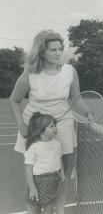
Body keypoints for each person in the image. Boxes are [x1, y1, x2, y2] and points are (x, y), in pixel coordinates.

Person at [9, 30, 91, 214]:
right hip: (36, 128)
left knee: (64, 174)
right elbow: (14, 100)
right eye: (53, 49)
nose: (57, 53)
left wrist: (88, 113)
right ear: (41, 52)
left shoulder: (70, 71)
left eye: (60, 49)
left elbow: (76, 99)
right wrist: (22, 126)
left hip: (63, 125)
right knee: (39, 173)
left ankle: (59, 211)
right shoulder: (30, 74)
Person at [24, 112, 65, 214]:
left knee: (50, 207)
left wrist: (62, 173)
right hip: (38, 182)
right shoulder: (34, 147)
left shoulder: (57, 144)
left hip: (53, 180)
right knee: (34, 207)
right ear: (41, 130)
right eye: (51, 126)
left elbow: (60, 160)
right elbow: (28, 169)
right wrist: (32, 188)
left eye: (55, 125)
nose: (55, 128)